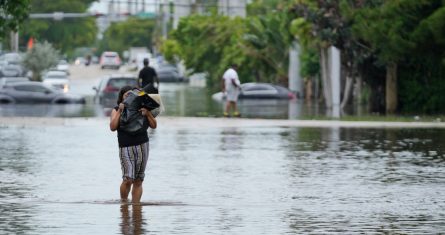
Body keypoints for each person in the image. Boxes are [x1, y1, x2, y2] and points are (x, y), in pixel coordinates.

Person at [110, 86, 157, 203]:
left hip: (142, 145)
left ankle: (136, 206)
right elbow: (112, 127)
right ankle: (124, 203)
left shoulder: (143, 108)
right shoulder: (116, 109)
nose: (129, 97)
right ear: (121, 97)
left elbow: (154, 125)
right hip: (125, 146)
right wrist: (120, 111)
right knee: (128, 178)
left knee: (138, 179)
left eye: (131, 95)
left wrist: (148, 114)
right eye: (127, 95)